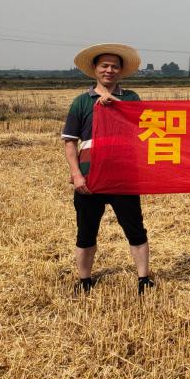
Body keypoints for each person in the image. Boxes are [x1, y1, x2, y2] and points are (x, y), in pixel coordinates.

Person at [61, 43, 153, 295]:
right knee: (86, 231)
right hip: (90, 178)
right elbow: (70, 142)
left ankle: (144, 279)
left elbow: (144, 127)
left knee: (135, 229)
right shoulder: (81, 102)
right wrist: (76, 175)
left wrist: (116, 105)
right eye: (104, 66)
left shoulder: (131, 98)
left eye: (114, 66)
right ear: (95, 69)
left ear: (121, 71)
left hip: (124, 176)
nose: (109, 70)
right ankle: (84, 280)